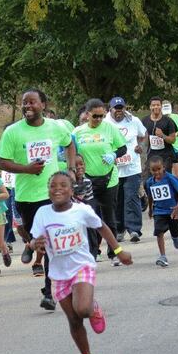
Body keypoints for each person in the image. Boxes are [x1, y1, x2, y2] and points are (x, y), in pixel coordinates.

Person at [30, 171, 132, 354]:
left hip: (81, 266)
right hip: (58, 274)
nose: (57, 188)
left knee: (83, 309)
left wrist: (119, 252)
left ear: (71, 190)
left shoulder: (82, 211)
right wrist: (35, 245)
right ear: (48, 190)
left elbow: (102, 228)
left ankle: (93, 308)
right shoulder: (42, 213)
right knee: (74, 320)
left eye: (63, 185)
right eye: (53, 185)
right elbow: (34, 240)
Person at [0, 88, 76, 311]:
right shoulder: (13, 132)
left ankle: (49, 291)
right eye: (24, 103)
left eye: (32, 102)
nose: (27, 106)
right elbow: (1, 162)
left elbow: (69, 143)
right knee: (38, 239)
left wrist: (70, 169)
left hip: (52, 195)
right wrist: (26, 169)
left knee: (51, 242)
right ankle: (30, 244)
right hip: (25, 197)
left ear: (43, 104)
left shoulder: (55, 127)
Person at [74, 98, 127, 266]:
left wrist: (113, 155)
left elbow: (123, 148)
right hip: (88, 181)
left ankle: (113, 253)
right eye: (95, 116)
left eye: (101, 116)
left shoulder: (110, 128)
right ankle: (93, 252)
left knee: (109, 217)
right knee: (91, 216)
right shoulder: (78, 132)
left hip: (109, 179)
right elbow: (70, 151)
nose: (98, 119)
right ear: (87, 114)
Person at [105, 96, 146, 243]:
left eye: (121, 108)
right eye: (116, 109)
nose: (118, 111)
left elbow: (143, 134)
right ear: (110, 109)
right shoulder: (105, 123)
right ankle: (119, 229)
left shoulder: (133, 120)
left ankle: (134, 229)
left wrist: (139, 146)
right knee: (117, 199)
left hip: (132, 167)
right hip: (114, 168)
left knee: (131, 197)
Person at [145, 156, 178, 267]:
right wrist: (150, 209)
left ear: (163, 167)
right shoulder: (149, 182)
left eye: (159, 169)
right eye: (154, 170)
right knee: (159, 232)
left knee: (175, 229)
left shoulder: (170, 178)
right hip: (159, 211)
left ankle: (175, 237)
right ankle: (163, 256)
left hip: (172, 210)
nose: (157, 172)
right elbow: (150, 196)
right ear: (150, 170)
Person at [141, 96, 178, 173]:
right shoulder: (144, 121)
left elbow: (173, 140)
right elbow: (142, 139)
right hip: (151, 155)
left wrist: (162, 136)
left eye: (158, 105)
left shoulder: (168, 121)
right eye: (153, 105)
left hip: (166, 156)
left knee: (164, 179)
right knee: (150, 180)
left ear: (161, 106)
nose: (156, 107)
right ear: (150, 107)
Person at [0, 169, 17, 252]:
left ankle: (28, 240)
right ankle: (8, 241)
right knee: (7, 213)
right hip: (6, 188)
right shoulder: (3, 158)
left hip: (17, 187)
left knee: (19, 214)